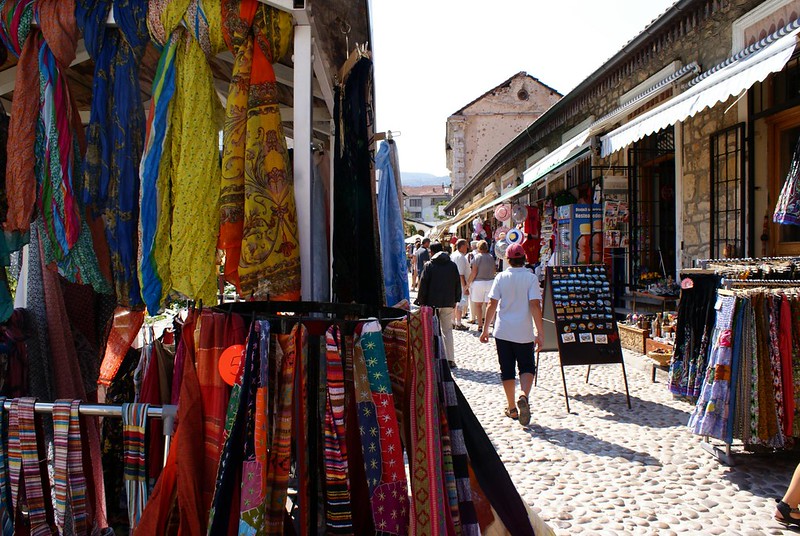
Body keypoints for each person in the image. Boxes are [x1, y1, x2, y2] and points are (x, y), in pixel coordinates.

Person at [479, 243, 544, 426]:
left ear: (507, 260)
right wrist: (540, 332)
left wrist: (485, 329)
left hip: (503, 331)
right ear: (524, 259)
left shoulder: (501, 277)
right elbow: (534, 305)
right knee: (527, 367)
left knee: (506, 369)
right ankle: (523, 395)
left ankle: (512, 408)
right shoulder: (530, 278)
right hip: (524, 332)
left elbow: (492, 304)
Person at [415, 241, 461, 368]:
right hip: (448, 302)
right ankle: (450, 359)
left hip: (432, 303)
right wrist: (456, 300)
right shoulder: (452, 265)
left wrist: (421, 302)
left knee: (433, 331)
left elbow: (423, 285)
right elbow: (457, 283)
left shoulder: (429, 265)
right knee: (447, 331)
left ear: (432, 252)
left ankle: (434, 358)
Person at [466, 240, 495, 331]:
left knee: (478, 305)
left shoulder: (477, 257)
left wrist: (468, 283)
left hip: (479, 283)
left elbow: (474, 272)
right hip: (490, 282)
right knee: (489, 305)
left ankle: (480, 325)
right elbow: (494, 270)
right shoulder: (491, 257)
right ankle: (491, 323)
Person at [450, 239, 469, 330]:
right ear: (462, 246)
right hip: (459, 283)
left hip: (453, 282)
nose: (467, 247)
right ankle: (458, 323)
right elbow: (461, 274)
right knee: (460, 304)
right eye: (466, 245)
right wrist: (465, 287)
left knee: (455, 303)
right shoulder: (460, 257)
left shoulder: (453, 255)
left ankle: (453, 321)